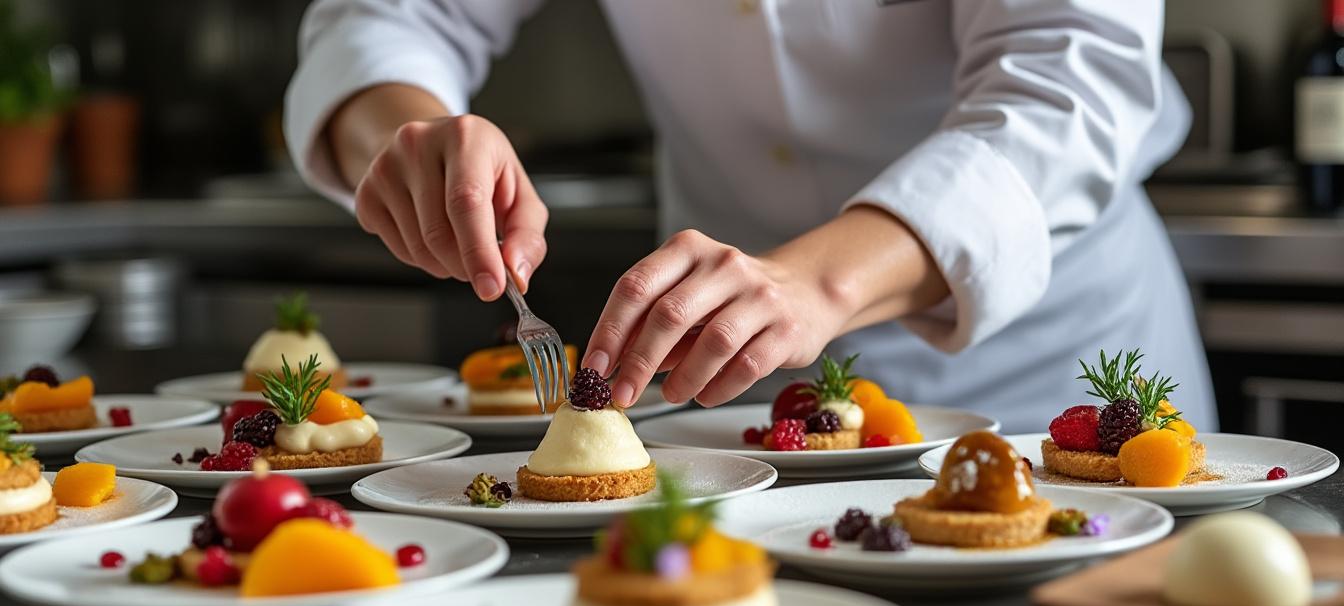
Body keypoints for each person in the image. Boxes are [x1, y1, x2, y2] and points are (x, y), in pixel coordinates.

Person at [284, 0, 1215, 432]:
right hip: (732, 385)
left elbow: (1070, 82)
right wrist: (410, 133)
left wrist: (818, 280)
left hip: (1042, 371)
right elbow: (393, 16)